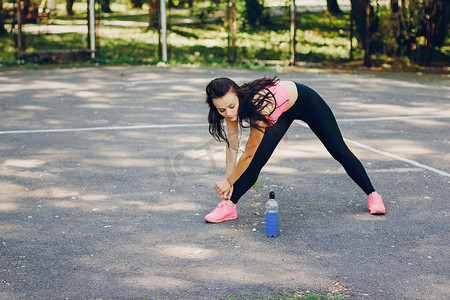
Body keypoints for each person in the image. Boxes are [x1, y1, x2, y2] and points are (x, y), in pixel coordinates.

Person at [204, 77, 386, 223]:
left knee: (339, 151)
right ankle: (229, 206)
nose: (228, 113)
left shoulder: (258, 105)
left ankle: (373, 194)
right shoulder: (228, 107)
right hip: (282, 111)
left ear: (238, 96)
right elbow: (233, 145)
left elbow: (248, 151)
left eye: (231, 107)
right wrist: (229, 181)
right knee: (257, 161)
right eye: (221, 110)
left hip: (306, 102)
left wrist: (229, 180)